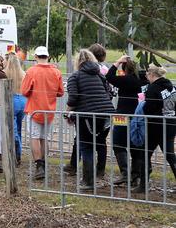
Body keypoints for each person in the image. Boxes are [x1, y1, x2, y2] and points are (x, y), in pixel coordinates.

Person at [66, 49, 115, 191]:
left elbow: (73, 98)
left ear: (77, 62)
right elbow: (108, 93)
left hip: (87, 116)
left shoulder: (75, 77)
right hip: (106, 115)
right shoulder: (100, 75)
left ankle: (88, 181)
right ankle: (99, 171)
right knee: (99, 143)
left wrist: (67, 114)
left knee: (86, 147)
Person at [20, 46, 64, 179]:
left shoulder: (31, 71)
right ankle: (43, 164)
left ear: (36, 57)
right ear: (48, 56)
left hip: (34, 110)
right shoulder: (56, 72)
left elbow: (24, 91)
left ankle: (39, 165)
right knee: (44, 138)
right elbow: (60, 92)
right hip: (49, 110)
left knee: (34, 137)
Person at [131, 65, 176, 193]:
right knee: (169, 154)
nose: (146, 77)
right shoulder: (171, 86)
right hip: (171, 124)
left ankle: (143, 185)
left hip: (156, 125)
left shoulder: (153, 88)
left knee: (145, 153)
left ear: (152, 75)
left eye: (147, 75)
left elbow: (148, 108)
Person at [105, 55, 145, 185]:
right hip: (138, 116)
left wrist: (117, 62)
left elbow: (109, 76)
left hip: (122, 115)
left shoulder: (125, 80)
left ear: (125, 69)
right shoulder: (142, 80)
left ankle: (125, 173)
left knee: (117, 142)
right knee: (135, 145)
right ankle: (135, 175)